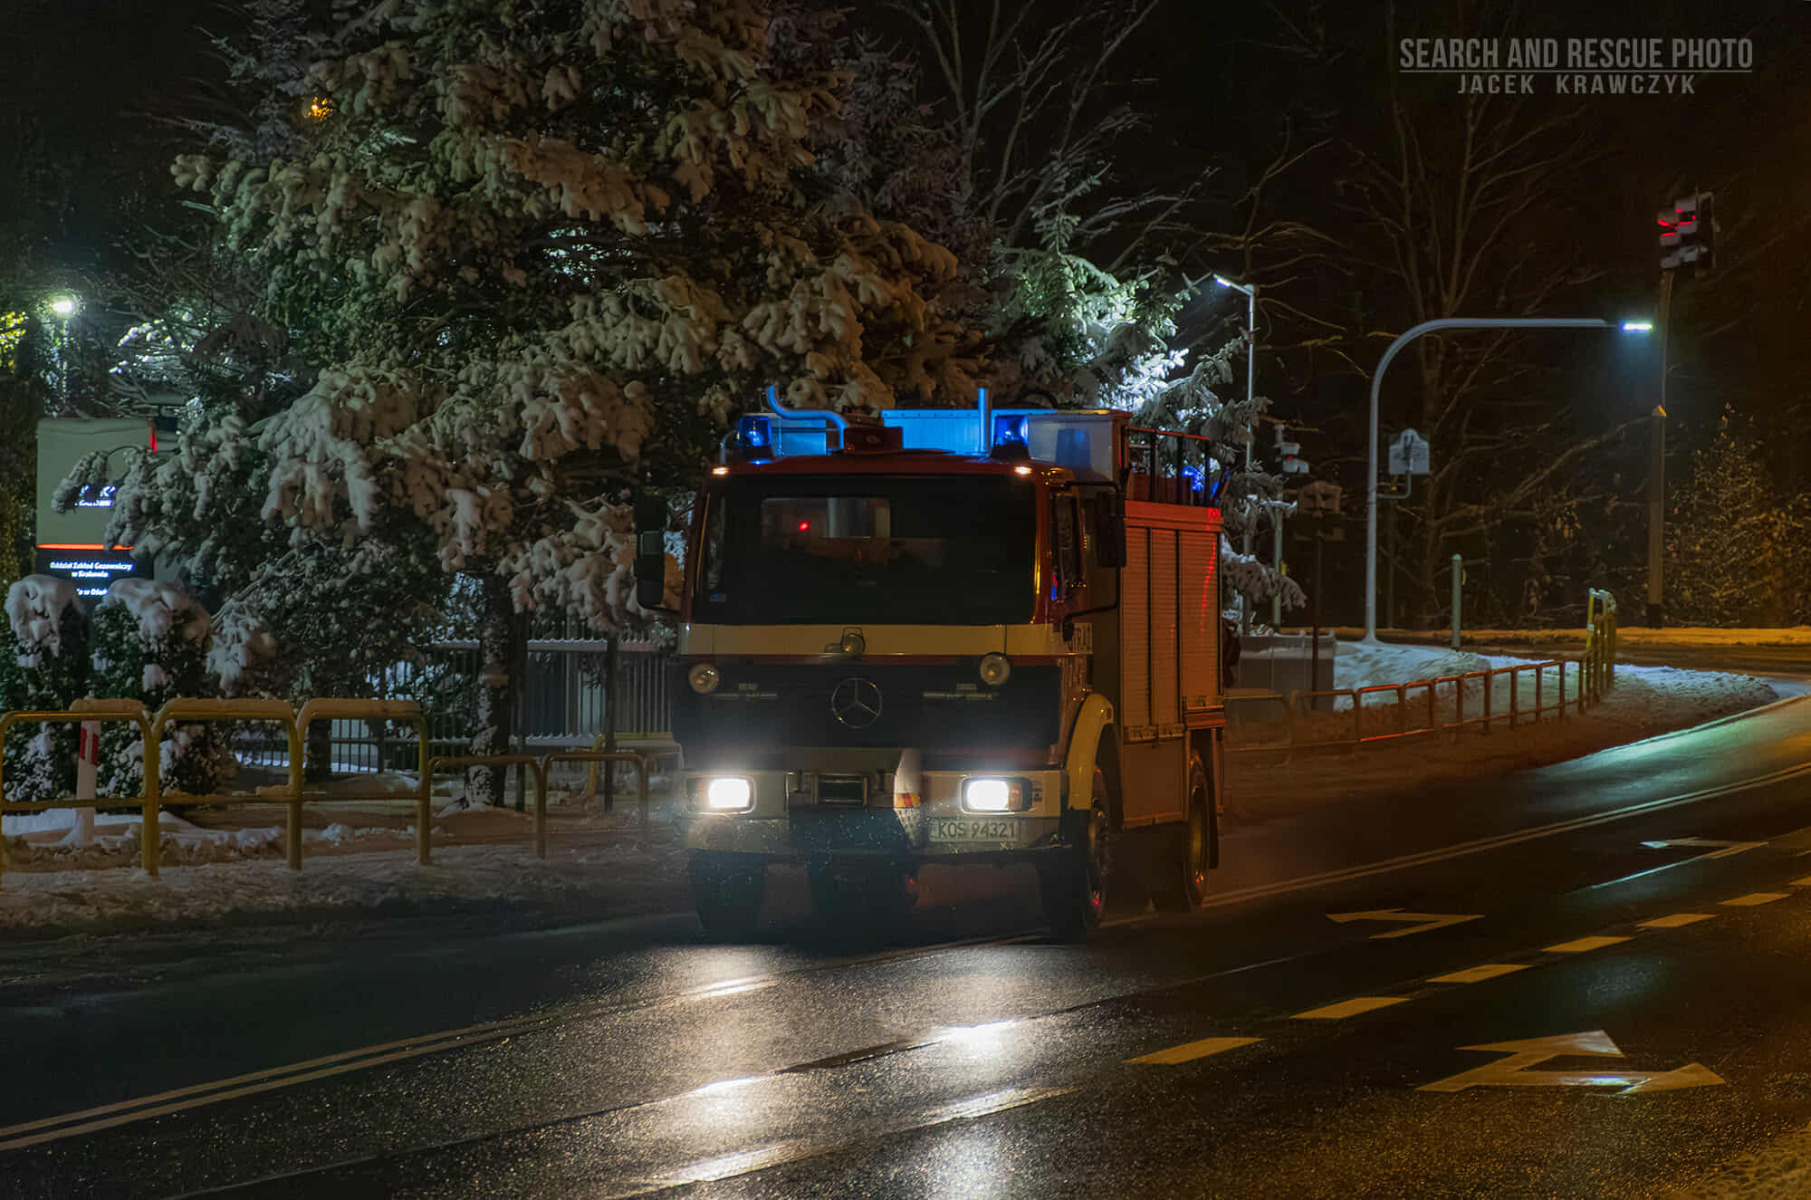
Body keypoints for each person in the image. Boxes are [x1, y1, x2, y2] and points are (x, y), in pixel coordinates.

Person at [1221, 618, 1241, 689]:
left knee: (1223, 665)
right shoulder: (1224, 621)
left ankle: (1228, 681)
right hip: (1226, 646)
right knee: (1224, 665)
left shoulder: (1221, 621)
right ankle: (1228, 681)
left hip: (1224, 647)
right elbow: (1234, 625)